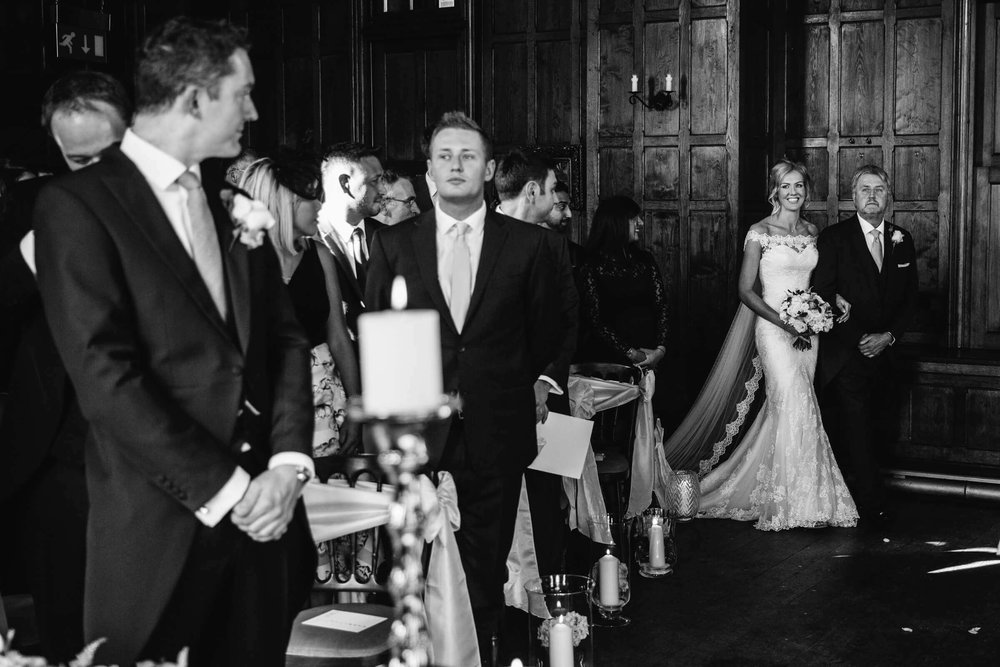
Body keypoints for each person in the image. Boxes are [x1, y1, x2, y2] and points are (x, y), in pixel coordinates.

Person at [33, 17, 314, 665]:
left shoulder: (232, 206)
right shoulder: (78, 205)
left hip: (266, 528)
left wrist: (287, 463)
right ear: (194, 99)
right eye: (241, 93)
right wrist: (233, 489)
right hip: (156, 526)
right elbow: (107, 381)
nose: (254, 109)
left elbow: (286, 340)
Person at [366, 111, 557, 663]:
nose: (456, 165)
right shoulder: (394, 244)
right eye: (444, 156)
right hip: (417, 438)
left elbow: (544, 334)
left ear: (489, 168)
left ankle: (486, 654)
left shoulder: (528, 246)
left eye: (468, 156)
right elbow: (379, 343)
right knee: (414, 571)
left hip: (497, 433)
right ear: (428, 171)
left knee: (486, 567)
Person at [0, 70, 130, 663]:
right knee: (63, 632)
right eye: (80, 160)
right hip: (56, 457)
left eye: (109, 154)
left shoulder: (186, 203)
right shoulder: (30, 205)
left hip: (152, 456)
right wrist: (33, 255)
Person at [666, 159, 859, 531]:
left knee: (792, 408)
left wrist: (830, 302)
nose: (793, 192)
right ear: (775, 190)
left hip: (808, 330)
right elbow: (744, 290)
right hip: (774, 330)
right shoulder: (759, 232)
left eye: (799, 185)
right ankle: (794, 504)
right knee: (792, 401)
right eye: (786, 186)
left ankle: (798, 496)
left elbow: (816, 282)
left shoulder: (810, 230)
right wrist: (784, 321)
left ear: (807, 190)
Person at [814, 164, 918, 526]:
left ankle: (868, 496)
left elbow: (911, 300)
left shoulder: (903, 238)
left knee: (879, 427)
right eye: (864, 189)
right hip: (847, 354)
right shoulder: (834, 238)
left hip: (887, 354)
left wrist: (887, 337)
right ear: (853, 196)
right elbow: (823, 294)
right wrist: (860, 339)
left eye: (878, 189)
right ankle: (869, 505)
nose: (872, 195)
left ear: (888, 196)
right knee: (855, 428)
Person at [238, 155, 359, 456]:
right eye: (311, 199)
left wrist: (357, 408)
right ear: (285, 202)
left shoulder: (320, 255)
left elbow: (339, 337)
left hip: (323, 401)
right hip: (260, 402)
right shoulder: (239, 260)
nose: (320, 206)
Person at [494, 149, 578, 577]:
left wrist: (544, 383)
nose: (555, 200)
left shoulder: (552, 244)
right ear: (531, 191)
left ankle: (550, 604)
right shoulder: (470, 238)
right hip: (490, 402)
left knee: (548, 501)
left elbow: (568, 319)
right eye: (549, 190)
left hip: (548, 394)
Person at [578, 195, 668, 371]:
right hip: (610, 361)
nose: (641, 223)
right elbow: (594, 320)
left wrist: (659, 350)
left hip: (651, 354)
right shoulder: (592, 265)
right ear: (616, 222)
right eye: (634, 218)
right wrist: (632, 354)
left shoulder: (645, 260)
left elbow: (662, 306)